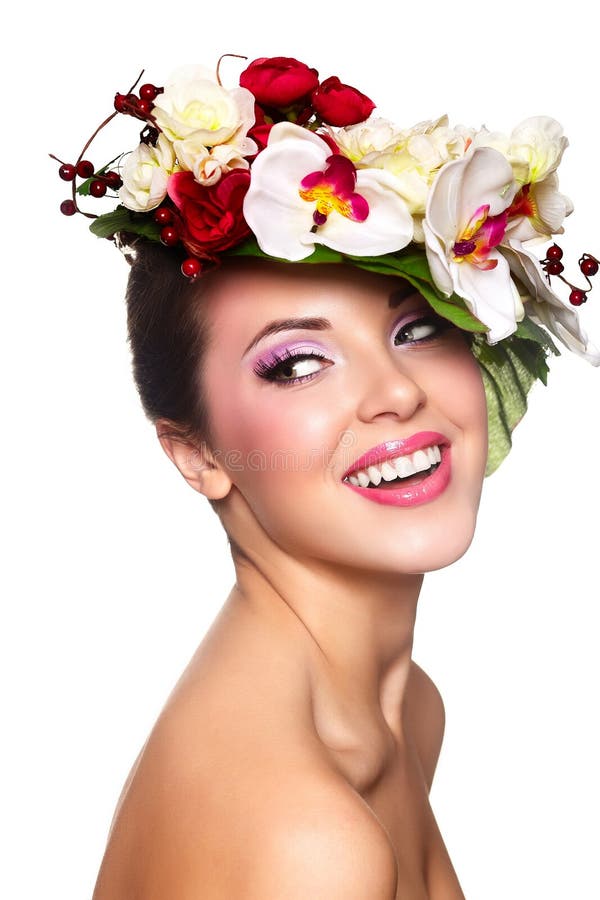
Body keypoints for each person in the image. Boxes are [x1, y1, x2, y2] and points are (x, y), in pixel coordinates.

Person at [52, 55, 598, 898]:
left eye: (418, 330)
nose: (397, 392)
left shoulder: (408, 710)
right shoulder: (305, 838)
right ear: (197, 456)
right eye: (298, 362)